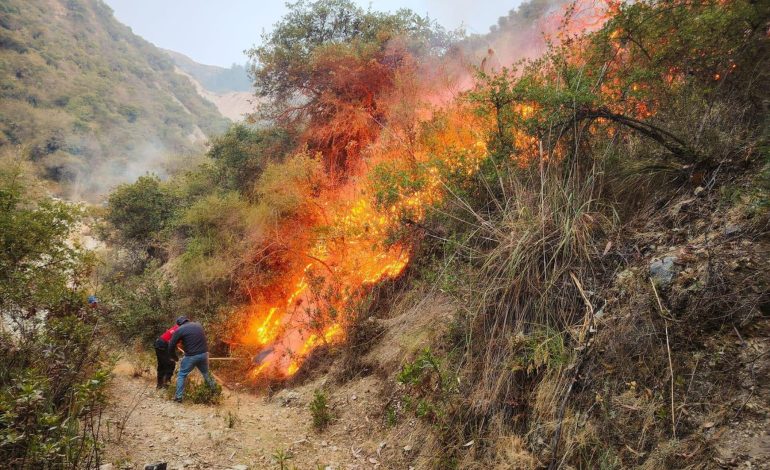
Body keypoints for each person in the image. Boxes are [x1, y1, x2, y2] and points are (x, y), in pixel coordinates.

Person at [168, 316, 217, 403]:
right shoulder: (198, 325)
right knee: (206, 374)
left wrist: (174, 357)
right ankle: (216, 393)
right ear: (187, 320)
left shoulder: (180, 330)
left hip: (191, 356)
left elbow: (171, 345)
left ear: (179, 324)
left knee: (182, 374)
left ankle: (178, 397)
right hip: (204, 354)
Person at [154, 320, 181, 389]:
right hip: (163, 345)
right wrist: (175, 357)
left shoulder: (176, 328)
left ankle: (159, 385)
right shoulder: (180, 329)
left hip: (159, 343)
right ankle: (166, 386)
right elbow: (172, 345)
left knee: (162, 365)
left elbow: (174, 342)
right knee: (171, 364)